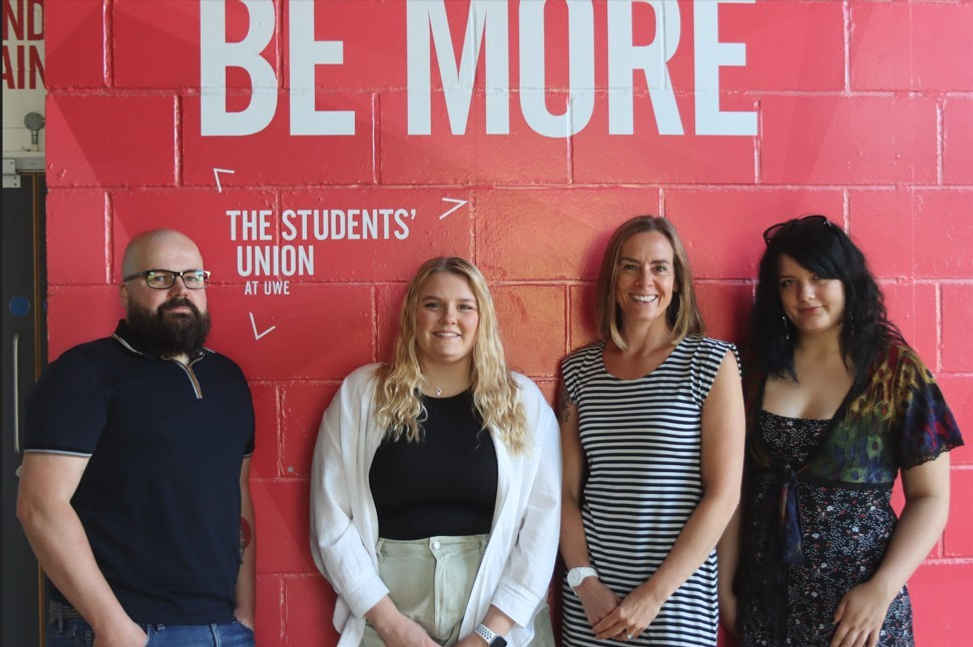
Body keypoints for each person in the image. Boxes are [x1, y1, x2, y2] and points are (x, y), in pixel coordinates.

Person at [719, 215, 963, 647]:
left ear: (848, 281)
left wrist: (883, 588)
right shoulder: (755, 369)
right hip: (768, 604)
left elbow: (932, 498)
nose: (804, 295)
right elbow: (735, 490)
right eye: (788, 283)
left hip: (859, 616)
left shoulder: (894, 370)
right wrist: (726, 587)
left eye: (819, 278)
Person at [17, 229, 256, 647]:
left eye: (193, 277)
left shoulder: (228, 379)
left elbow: (238, 496)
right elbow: (39, 507)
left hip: (223, 628)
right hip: (124, 630)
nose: (181, 290)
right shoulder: (82, 374)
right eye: (160, 277)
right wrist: (112, 625)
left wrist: (245, 611)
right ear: (125, 293)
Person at [309, 256, 561, 647]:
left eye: (465, 306)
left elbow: (542, 528)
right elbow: (331, 519)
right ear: (412, 315)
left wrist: (487, 634)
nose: (449, 318)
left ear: (483, 318)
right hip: (388, 615)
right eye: (433, 305)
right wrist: (393, 627)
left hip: (498, 621)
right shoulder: (361, 395)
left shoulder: (523, 403)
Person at [558, 216, 745, 647]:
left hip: (675, 605)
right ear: (613, 279)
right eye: (630, 266)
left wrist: (653, 594)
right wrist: (585, 583)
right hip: (593, 606)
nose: (645, 280)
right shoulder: (578, 371)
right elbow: (565, 494)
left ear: (677, 280)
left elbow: (724, 495)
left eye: (660, 267)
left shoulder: (712, 363)